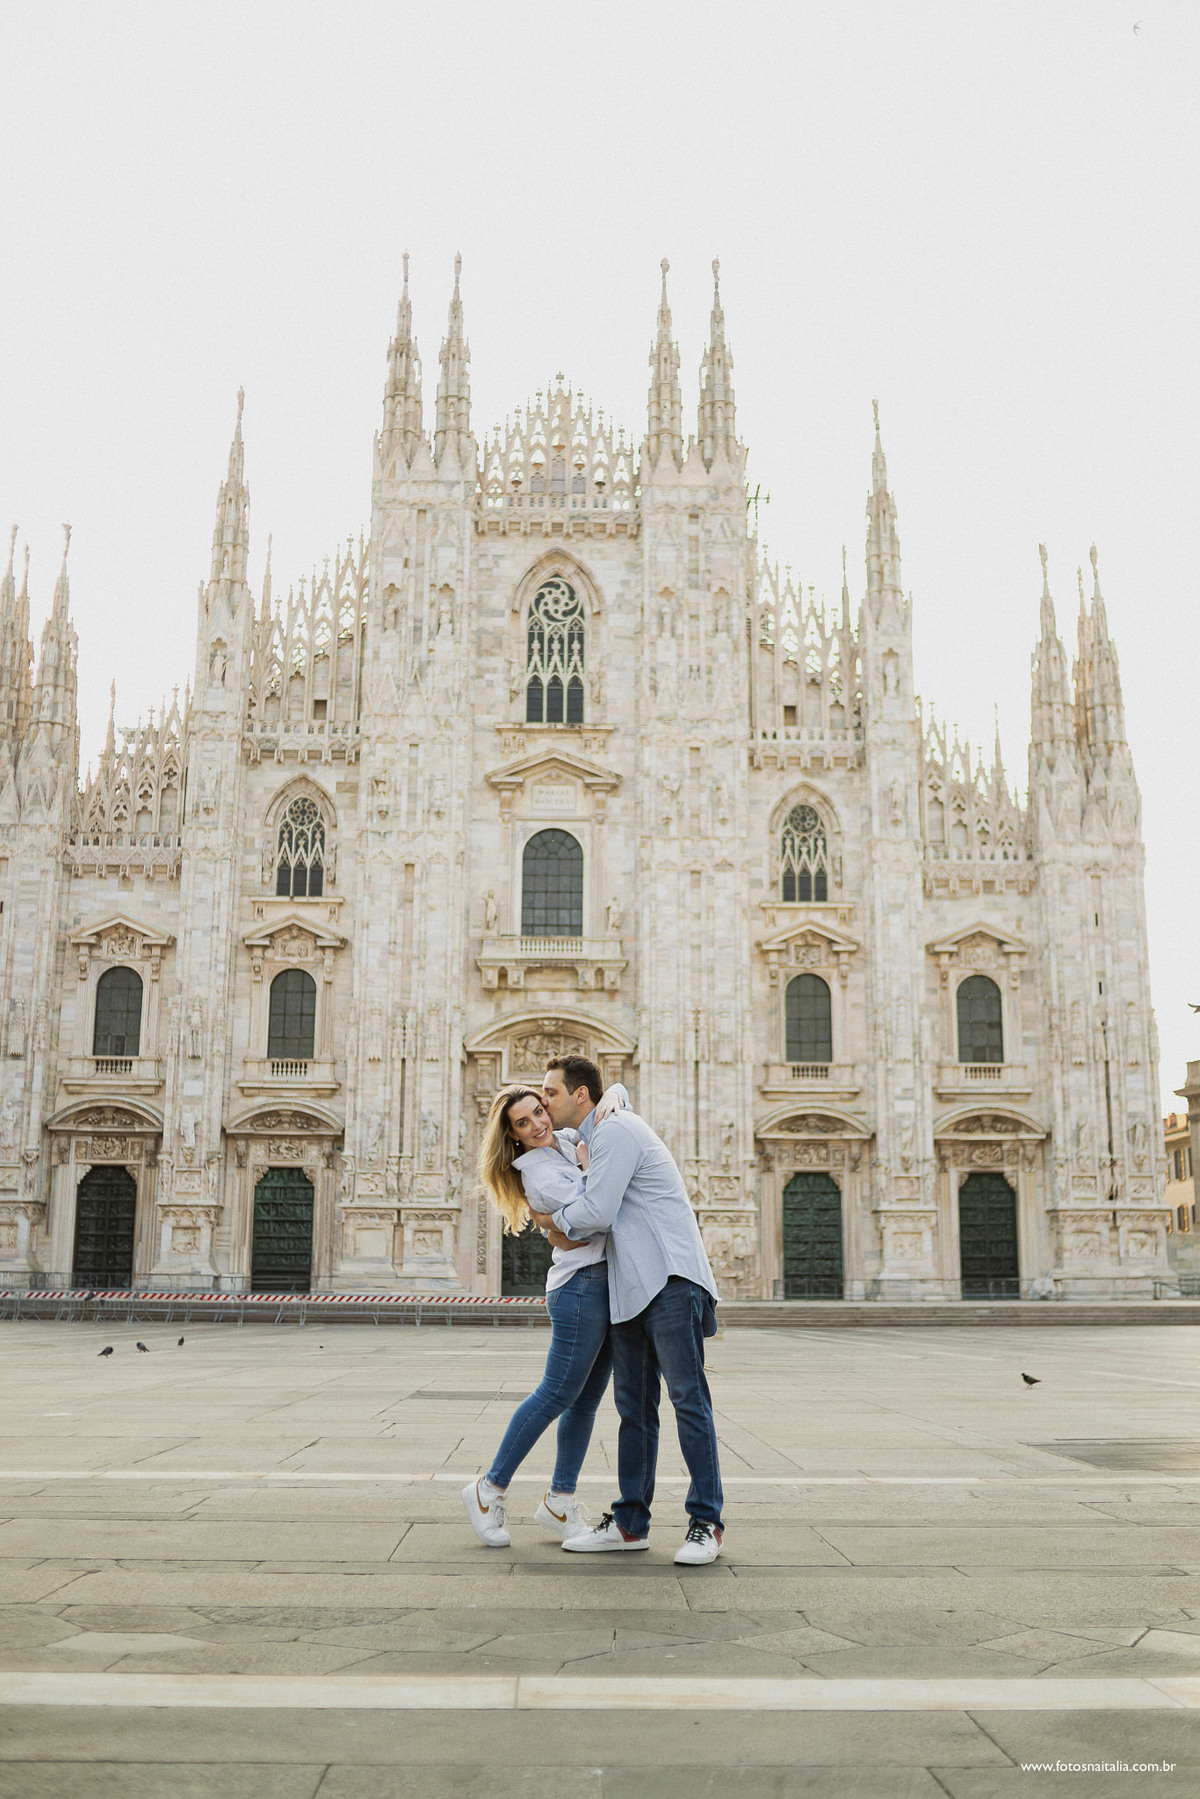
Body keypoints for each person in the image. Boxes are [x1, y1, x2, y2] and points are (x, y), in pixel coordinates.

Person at [529, 1054, 724, 1565]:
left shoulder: (615, 1133)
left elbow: (596, 1212)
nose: (543, 1103)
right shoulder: (596, 1133)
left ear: (579, 1096)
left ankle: (707, 1522)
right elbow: (563, 1145)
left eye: (550, 1093)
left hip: (668, 1277)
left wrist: (550, 1223)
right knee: (634, 1408)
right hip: (630, 1285)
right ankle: (630, 1523)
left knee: (687, 1400)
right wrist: (617, 1087)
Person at [461, 1076, 628, 1549]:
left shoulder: (568, 1139)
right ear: (512, 1134)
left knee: (584, 1402)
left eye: (539, 1110)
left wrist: (613, 1092)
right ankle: (488, 1488)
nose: (537, 1124)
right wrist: (588, 1165)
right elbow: (596, 1209)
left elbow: (608, 1108)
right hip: (580, 1287)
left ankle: (560, 1500)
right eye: (523, 1122)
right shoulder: (538, 1170)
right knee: (555, 1393)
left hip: (604, 1283)